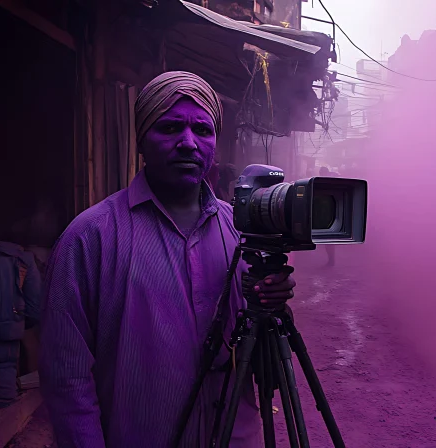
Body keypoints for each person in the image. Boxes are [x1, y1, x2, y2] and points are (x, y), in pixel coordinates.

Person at [39, 71, 296, 448]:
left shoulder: (242, 233)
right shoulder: (89, 238)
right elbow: (67, 379)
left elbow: (264, 369)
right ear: (141, 139)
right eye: (171, 127)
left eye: (203, 131)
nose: (188, 143)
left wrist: (273, 308)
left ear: (215, 147)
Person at [0, 239, 42, 409]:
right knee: (4, 407)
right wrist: (15, 324)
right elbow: (35, 310)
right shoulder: (23, 260)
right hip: (5, 338)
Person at [319, 166, 336, 267]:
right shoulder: (331, 181)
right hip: (330, 213)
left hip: (327, 214)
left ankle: (331, 260)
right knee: (329, 240)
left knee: (329, 240)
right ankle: (331, 260)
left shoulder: (325, 182)